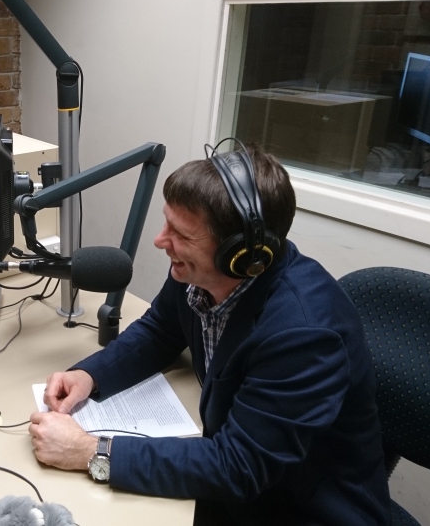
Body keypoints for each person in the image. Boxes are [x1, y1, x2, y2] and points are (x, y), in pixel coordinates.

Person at [29, 144, 391, 525]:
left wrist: (91, 451)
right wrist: (90, 375)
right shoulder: (198, 275)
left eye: (182, 235)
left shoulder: (304, 336)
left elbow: (238, 466)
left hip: (300, 510)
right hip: (244, 491)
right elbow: (160, 330)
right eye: (167, 223)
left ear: (239, 255)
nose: (160, 241)